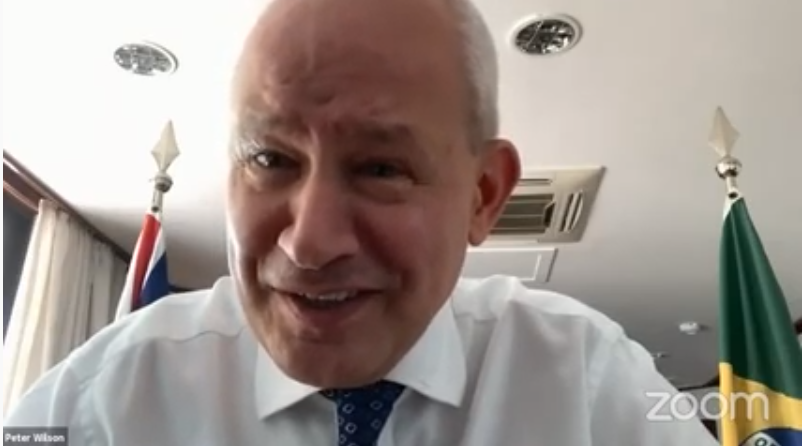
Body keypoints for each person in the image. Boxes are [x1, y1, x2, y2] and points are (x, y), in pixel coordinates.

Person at [5, 0, 720, 444]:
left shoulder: (590, 385)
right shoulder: (106, 396)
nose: (309, 243)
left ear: (482, 195)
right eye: (270, 158)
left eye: (381, 168)